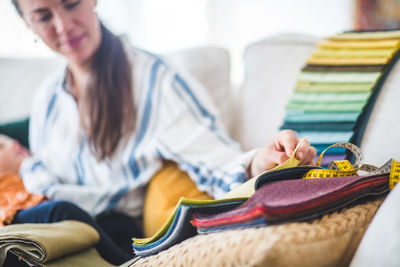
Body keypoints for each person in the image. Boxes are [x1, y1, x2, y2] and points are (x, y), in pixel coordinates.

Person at [8, 0, 316, 265]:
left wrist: (260, 164)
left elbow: (215, 160)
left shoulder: (155, 83)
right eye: (44, 16)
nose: (63, 26)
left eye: (71, 3)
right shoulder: (47, 99)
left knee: (55, 213)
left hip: (116, 239)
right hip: (63, 233)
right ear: (28, 24)